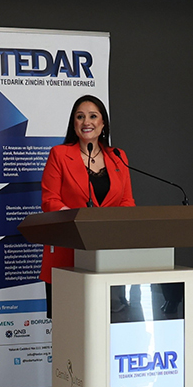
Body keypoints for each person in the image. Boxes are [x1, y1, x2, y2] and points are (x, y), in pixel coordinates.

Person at [40, 95, 134, 317]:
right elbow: (50, 200)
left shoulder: (118, 157)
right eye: (80, 117)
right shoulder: (59, 154)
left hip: (109, 255)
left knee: (107, 323)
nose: (86, 122)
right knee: (68, 324)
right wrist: (78, 222)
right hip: (67, 253)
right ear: (74, 123)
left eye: (93, 116)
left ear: (103, 123)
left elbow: (127, 202)